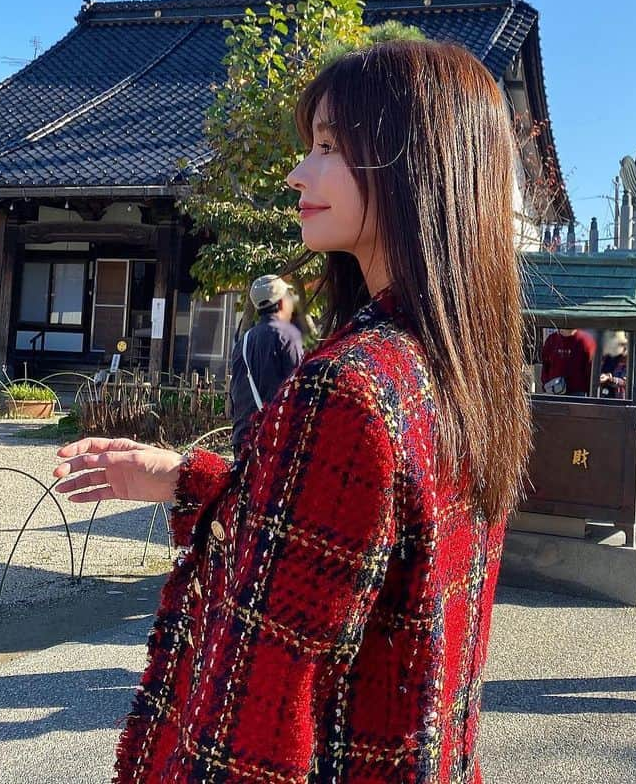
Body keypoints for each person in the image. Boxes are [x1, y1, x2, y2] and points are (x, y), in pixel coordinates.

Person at [54, 40, 530, 782]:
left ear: (416, 168)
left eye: (329, 147)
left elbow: (260, 716)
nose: (296, 172)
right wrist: (183, 477)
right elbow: (356, 549)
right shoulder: (464, 369)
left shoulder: (347, 386)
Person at [228, 274, 304, 457]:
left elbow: (235, 394)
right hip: (275, 441)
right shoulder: (288, 335)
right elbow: (301, 386)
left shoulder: (243, 341)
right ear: (281, 303)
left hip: (243, 439)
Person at [541, 327, 596, 395]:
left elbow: (591, 371)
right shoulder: (551, 339)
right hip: (553, 392)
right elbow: (545, 366)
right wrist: (546, 386)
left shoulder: (586, 341)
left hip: (577, 396)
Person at [598, 330, 629, 398]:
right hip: (601, 395)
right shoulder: (605, 356)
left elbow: (626, 381)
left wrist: (609, 379)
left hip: (618, 398)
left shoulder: (627, 359)